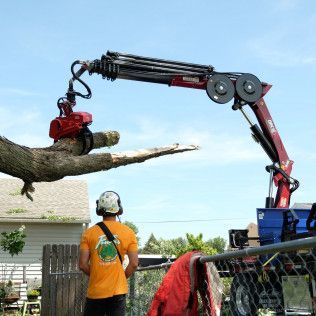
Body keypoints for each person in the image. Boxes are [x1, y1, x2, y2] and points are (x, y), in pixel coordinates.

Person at [79, 190, 139, 316]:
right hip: (118, 291)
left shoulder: (88, 233)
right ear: (119, 209)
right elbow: (134, 263)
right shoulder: (129, 232)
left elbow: (83, 265)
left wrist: (97, 274)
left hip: (95, 292)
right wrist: (121, 277)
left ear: (99, 209)